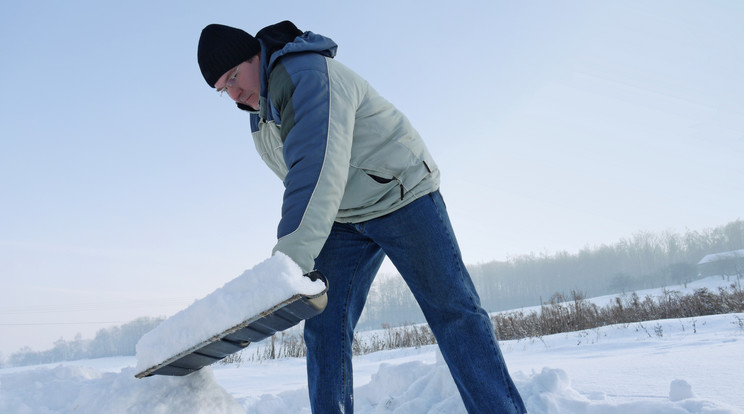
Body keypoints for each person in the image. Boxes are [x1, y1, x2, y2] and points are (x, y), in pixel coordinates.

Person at [197, 20, 527, 414]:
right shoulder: (259, 112)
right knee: (324, 327)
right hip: (344, 217)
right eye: (223, 90)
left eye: (234, 76)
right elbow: (301, 181)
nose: (234, 93)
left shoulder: (306, 76)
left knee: (453, 312)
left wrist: (287, 266)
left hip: (401, 193)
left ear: (257, 56)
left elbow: (314, 170)